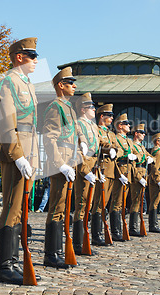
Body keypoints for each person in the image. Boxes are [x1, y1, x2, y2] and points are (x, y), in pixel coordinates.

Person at [0, 37, 40, 283]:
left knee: (21, 209)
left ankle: (13, 261)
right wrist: (18, 154)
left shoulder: (28, 84)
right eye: (32, 56)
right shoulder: (8, 81)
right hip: (16, 150)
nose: (35, 60)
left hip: (29, 147)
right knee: (11, 207)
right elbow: (6, 121)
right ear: (19, 57)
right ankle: (4, 266)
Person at [42, 67, 85, 269]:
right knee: (57, 208)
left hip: (70, 160)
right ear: (61, 85)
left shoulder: (68, 108)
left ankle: (59, 250)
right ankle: (52, 254)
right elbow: (49, 138)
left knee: (65, 208)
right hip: (61, 162)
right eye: (70, 83)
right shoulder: (55, 107)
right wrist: (61, 164)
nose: (74, 86)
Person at [73, 92, 100, 254]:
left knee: (88, 205)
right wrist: (84, 170)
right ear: (83, 109)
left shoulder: (93, 126)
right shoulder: (78, 124)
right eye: (91, 107)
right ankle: (77, 243)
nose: (94, 110)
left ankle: (84, 241)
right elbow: (78, 151)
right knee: (81, 205)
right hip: (84, 167)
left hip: (94, 165)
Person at [90, 104, 117, 246]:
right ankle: (96, 234)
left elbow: (117, 147)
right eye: (109, 116)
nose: (112, 118)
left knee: (104, 203)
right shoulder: (96, 130)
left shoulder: (109, 133)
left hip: (110, 170)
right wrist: (108, 149)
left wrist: (114, 150)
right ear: (102, 117)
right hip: (101, 168)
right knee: (98, 203)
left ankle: (99, 232)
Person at [111, 113, 134, 241]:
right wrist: (119, 174)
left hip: (128, 172)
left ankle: (119, 229)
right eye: (126, 123)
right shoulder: (116, 138)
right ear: (120, 126)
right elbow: (115, 155)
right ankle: (115, 231)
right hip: (120, 171)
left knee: (122, 202)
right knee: (117, 202)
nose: (129, 125)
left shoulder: (128, 140)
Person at [129, 123, 153, 236]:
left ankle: (136, 226)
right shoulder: (132, 146)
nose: (144, 135)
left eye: (144, 133)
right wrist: (139, 178)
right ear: (136, 133)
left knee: (139, 202)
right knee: (135, 202)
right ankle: (133, 228)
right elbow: (132, 166)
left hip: (144, 175)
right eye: (142, 133)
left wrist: (149, 158)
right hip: (136, 176)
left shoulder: (142, 147)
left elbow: (150, 156)